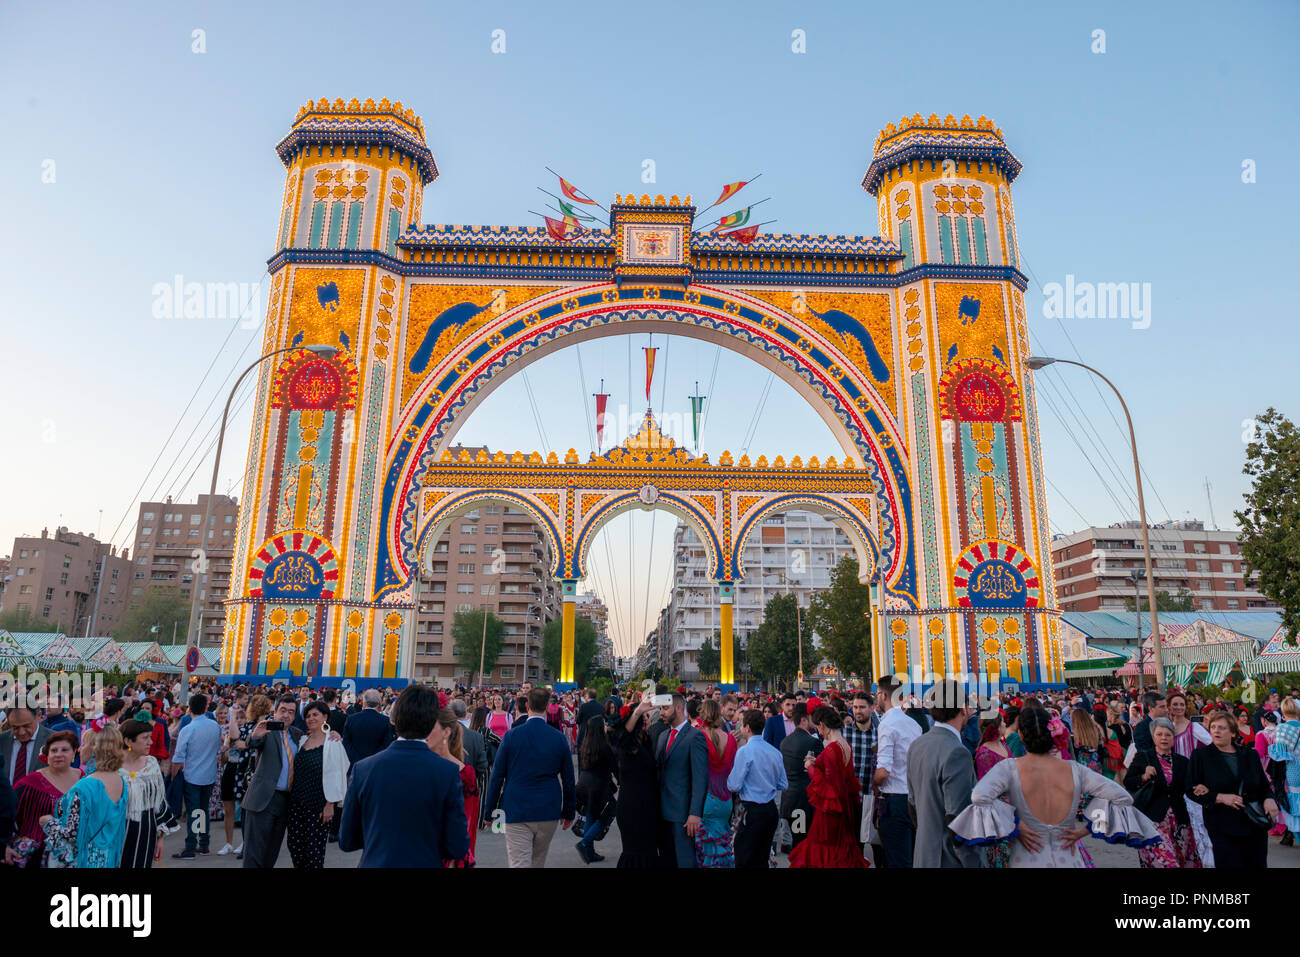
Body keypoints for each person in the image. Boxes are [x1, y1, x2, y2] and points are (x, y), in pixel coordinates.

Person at [950, 706, 1158, 867]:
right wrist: (1087, 829)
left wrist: (1015, 823)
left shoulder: (1010, 768)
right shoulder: (1075, 769)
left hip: (1026, 857)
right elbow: (1123, 798)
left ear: (1021, 735)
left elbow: (979, 796)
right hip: (1069, 855)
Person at [339, 685, 469, 867]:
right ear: (432, 721)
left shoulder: (363, 769)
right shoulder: (446, 772)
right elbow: (458, 846)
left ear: (394, 719)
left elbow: (347, 840)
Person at [484, 687, 576, 868]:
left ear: (527, 705)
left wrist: (489, 811)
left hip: (517, 807)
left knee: (519, 862)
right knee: (537, 862)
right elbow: (568, 779)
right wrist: (569, 811)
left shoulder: (511, 736)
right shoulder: (558, 738)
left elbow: (497, 777)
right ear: (548, 707)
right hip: (548, 809)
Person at [1187, 710, 1277, 869]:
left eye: (1222, 728)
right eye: (1213, 727)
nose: (1216, 731)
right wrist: (1219, 797)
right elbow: (1190, 789)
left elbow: (1264, 785)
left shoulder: (1250, 755)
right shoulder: (1201, 756)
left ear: (1233, 732)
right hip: (1223, 826)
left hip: (1254, 824)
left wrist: (1269, 799)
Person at [906, 684, 982, 868]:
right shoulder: (957, 752)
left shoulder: (917, 744)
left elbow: (912, 804)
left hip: (924, 853)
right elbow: (958, 818)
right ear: (963, 709)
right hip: (948, 858)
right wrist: (973, 861)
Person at [41, 726, 128, 868]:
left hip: (84, 860)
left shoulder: (85, 786)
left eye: (84, 743)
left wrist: (48, 822)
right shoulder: (120, 781)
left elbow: (71, 834)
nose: (80, 749)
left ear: (95, 748)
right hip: (107, 860)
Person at [1124, 717, 1200, 868]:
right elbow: (1128, 782)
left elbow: (1189, 787)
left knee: (1183, 860)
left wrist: (1200, 788)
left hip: (1179, 820)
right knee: (1166, 862)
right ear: (1153, 737)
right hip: (1154, 819)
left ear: (1173, 738)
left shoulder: (1182, 761)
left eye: (1168, 734)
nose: (1164, 738)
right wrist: (1144, 776)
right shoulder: (1143, 758)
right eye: (1159, 734)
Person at [241, 695, 303, 867]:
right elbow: (253, 742)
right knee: (253, 855)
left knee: (271, 854)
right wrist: (254, 736)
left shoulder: (298, 735)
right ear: (274, 712)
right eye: (282, 710)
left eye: (291, 712)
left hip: (285, 802)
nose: (286, 715)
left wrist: (332, 733)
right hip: (263, 799)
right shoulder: (266, 730)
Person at [5, 730, 80, 867]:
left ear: (74, 753)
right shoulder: (31, 782)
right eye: (53, 750)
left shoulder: (84, 779)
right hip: (36, 855)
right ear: (47, 755)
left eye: (64, 750)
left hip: (74, 855)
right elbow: (6, 810)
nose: (58, 754)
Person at [727, 708, 787, 868]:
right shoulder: (775, 752)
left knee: (744, 857)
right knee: (762, 857)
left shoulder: (745, 751)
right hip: (770, 808)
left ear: (747, 728)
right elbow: (783, 784)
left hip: (751, 810)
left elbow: (734, 785)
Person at [654, 691, 708, 868]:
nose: (661, 712)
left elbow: (700, 779)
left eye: (665, 708)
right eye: (660, 708)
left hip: (683, 814)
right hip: (662, 812)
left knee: (685, 861)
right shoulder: (663, 736)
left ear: (678, 708)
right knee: (666, 859)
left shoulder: (695, 737)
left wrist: (695, 813)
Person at [873, 674, 921, 867]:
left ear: (883, 695)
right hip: (913, 797)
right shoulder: (914, 724)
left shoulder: (887, 724)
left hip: (894, 799)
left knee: (896, 860)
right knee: (910, 856)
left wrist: (874, 782)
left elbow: (883, 771)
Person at [608, 698, 662, 867]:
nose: (646, 719)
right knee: (635, 852)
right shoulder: (627, 745)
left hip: (648, 806)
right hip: (632, 807)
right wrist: (637, 710)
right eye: (642, 716)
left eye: (647, 715)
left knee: (649, 851)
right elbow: (621, 734)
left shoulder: (646, 741)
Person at [169, 693, 222, 860]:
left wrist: (173, 776)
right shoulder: (215, 726)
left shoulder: (188, 729)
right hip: (209, 774)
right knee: (202, 810)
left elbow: (178, 757)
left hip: (192, 775)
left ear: (190, 709)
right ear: (206, 707)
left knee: (193, 811)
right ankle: (204, 843)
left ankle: (190, 847)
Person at [119, 718, 176, 868]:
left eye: (150, 737)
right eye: (145, 738)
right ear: (128, 741)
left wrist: (160, 837)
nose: (150, 742)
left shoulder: (151, 764)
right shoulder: (113, 766)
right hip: (118, 831)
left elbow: (159, 801)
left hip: (146, 831)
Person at [430, 710, 478, 867]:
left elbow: (468, 822)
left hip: (450, 855)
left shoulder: (465, 773)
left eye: (430, 727)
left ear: (446, 732)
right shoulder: (419, 766)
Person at [694, 698, 736, 868]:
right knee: (721, 846)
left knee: (706, 849)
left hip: (706, 800)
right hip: (726, 800)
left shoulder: (700, 736)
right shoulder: (731, 739)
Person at [778, 702, 823, 851]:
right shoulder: (813, 742)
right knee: (803, 845)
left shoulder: (784, 742)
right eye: (812, 718)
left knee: (799, 841)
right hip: (804, 800)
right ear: (804, 720)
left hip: (789, 799)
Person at [574, 715, 616, 864]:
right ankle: (585, 842)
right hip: (598, 786)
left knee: (591, 816)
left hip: (584, 784)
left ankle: (590, 852)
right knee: (609, 811)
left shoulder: (585, 743)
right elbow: (614, 766)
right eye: (604, 723)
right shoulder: (604, 746)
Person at [1266, 699, 1300, 845]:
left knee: (1294, 806)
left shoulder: (1281, 729)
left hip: (1292, 769)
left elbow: (1280, 753)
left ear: (1283, 712)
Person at [342, 689, 396, 766]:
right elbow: (386, 745)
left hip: (355, 765)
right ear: (379, 703)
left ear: (364, 702)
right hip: (376, 765)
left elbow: (346, 743)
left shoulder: (351, 719)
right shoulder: (386, 721)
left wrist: (357, 760)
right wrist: (373, 759)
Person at [1071, 707, 1103, 774]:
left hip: (1083, 760)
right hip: (1096, 758)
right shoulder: (1095, 728)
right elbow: (1100, 743)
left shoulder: (1077, 732)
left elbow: (1076, 746)